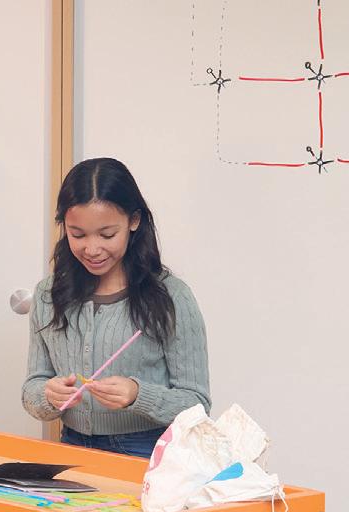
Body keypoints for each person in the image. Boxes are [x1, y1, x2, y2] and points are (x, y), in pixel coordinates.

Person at [22, 157, 210, 458]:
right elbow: (32, 387)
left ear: (134, 221)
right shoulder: (49, 294)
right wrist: (47, 395)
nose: (92, 249)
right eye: (77, 234)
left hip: (146, 450)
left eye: (107, 235)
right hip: (71, 445)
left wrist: (138, 395)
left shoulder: (171, 297)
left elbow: (197, 404)